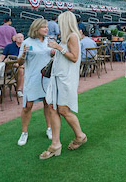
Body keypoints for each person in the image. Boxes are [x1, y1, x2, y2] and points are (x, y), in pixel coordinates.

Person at [40, 11, 87, 160]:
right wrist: (57, 52)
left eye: (60, 21)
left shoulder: (72, 36)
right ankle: (55, 144)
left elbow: (74, 58)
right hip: (58, 78)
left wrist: (59, 48)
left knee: (64, 110)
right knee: (53, 107)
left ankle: (80, 136)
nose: (58, 24)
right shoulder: (66, 37)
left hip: (66, 79)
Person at [17, 18, 53, 146]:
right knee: (28, 106)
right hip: (32, 79)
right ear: (36, 28)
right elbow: (20, 62)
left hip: (46, 79)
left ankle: (49, 128)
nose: (46, 29)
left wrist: (55, 51)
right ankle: (24, 132)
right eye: (44, 27)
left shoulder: (49, 41)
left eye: (47, 27)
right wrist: (23, 55)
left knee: (48, 104)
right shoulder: (26, 42)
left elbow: (52, 55)